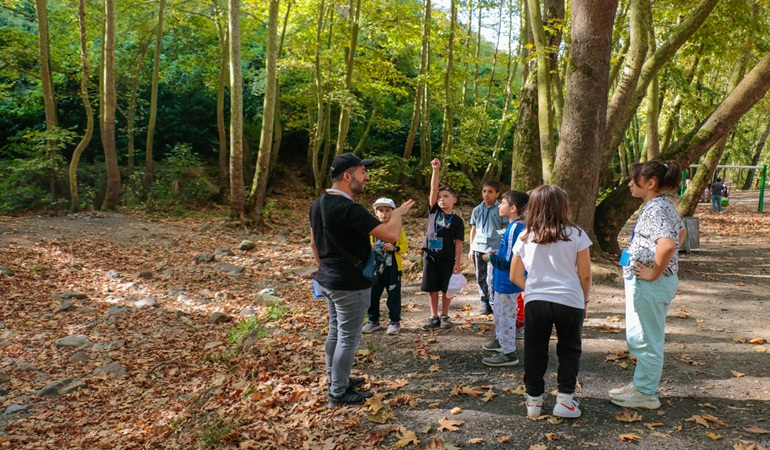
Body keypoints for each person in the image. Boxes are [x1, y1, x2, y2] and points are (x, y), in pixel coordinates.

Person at [309, 152, 415, 407]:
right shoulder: (349, 209)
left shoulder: (318, 203)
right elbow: (390, 234)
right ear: (347, 176)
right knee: (347, 337)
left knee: (336, 332)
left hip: (328, 279)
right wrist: (398, 213)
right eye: (362, 172)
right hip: (349, 283)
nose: (366, 177)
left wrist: (329, 270)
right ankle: (338, 392)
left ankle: (336, 379)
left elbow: (314, 243)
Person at [510, 185, 592, 419]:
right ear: (563, 206)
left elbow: (515, 276)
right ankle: (565, 401)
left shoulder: (526, 236)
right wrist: (584, 300)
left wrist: (534, 290)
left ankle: (534, 402)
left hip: (536, 302)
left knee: (534, 351)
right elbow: (585, 275)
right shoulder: (576, 234)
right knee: (569, 350)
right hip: (570, 300)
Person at [610, 160, 686, 410]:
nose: (630, 184)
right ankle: (642, 384)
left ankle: (645, 392)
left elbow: (668, 243)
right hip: (650, 282)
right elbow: (681, 234)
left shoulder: (656, 209)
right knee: (642, 335)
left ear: (650, 183)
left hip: (651, 284)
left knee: (646, 338)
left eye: (634, 180)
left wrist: (654, 271)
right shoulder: (662, 205)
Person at [480, 190, 529, 367]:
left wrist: (491, 258)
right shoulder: (514, 226)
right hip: (505, 280)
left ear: (513, 208)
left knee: (506, 315)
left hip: (507, 281)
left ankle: (508, 353)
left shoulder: (516, 228)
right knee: (500, 313)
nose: (500, 206)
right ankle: (501, 341)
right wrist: (496, 252)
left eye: (502, 203)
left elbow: (509, 261)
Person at [421, 158, 464, 330]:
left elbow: (459, 243)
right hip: (430, 255)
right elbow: (433, 189)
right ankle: (434, 316)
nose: (441, 199)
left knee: (446, 288)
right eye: (439, 197)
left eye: (446, 197)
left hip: (447, 257)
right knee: (432, 287)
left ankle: (445, 315)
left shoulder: (457, 220)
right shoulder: (434, 211)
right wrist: (435, 170)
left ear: (454, 200)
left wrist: (457, 262)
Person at [363, 198, 408, 335]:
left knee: (393, 294)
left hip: (392, 267)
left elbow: (405, 247)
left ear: (393, 212)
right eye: (380, 211)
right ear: (375, 212)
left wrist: (395, 247)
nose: (384, 214)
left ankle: (394, 321)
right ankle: (373, 320)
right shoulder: (371, 229)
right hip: (375, 267)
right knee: (373, 294)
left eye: (388, 210)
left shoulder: (398, 229)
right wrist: (369, 248)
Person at [469, 181, 507, 315]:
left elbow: (504, 228)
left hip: (494, 248)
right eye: (484, 191)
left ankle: (493, 301)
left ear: (497, 194)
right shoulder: (477, 210)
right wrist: (471, 248)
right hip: (478, 247)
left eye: (490, 191)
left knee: (492, 277)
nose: (486, 194)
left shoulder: (500, 209)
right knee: (480, 276)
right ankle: (484, 302)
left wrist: (501, 244)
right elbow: (473, 229)